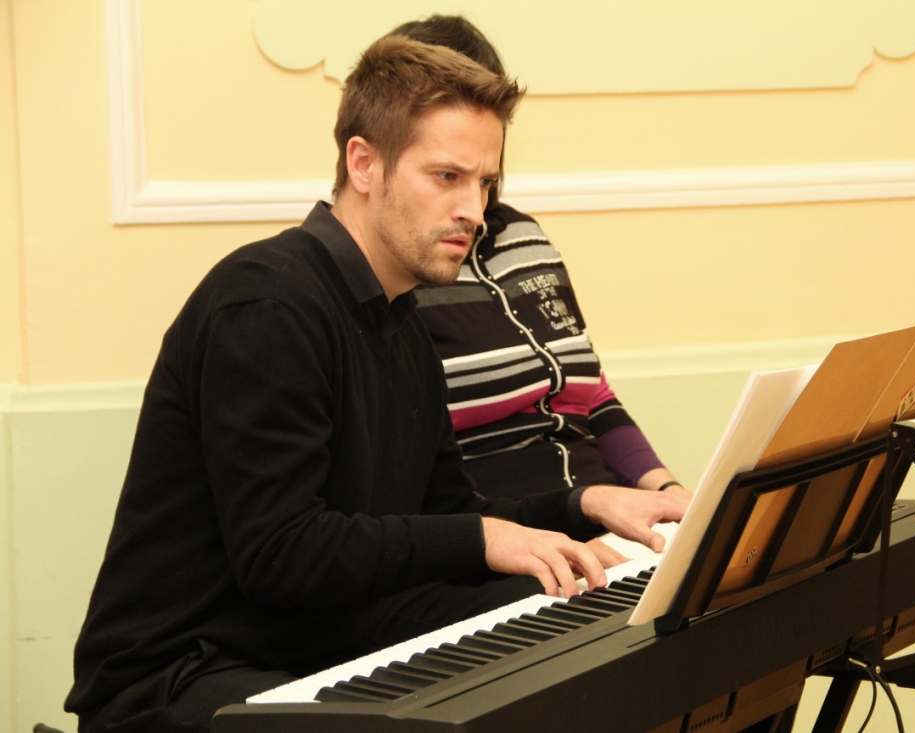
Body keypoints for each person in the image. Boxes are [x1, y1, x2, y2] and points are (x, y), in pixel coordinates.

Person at [64, 36, 687, 733]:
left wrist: (583, 504)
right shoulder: (266, 303)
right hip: (183, 669)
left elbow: (449, 511)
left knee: (566, 621)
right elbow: (281, 555)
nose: (474, 209)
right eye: (447, 176)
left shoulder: (402, 322)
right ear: (363, 163)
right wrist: (483, 536)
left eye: (484, 183)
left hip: (313, 632)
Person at [393, 16, 687, 503]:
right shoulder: (394, 272)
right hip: (511, 526)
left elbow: (595, 397)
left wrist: (668, 492)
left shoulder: (524, 236)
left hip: (608, 506)